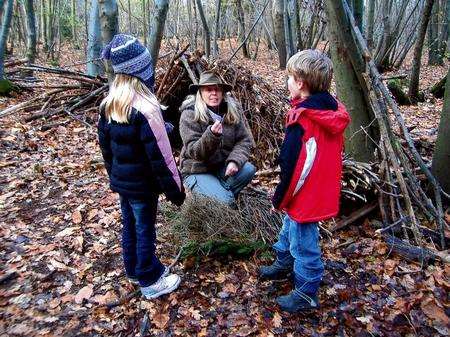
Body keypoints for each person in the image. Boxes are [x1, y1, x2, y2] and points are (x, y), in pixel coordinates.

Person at [259, 49, 350, 313]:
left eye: (289, 77)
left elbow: (294, 167)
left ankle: (306, 292)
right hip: (319, 189)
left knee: (304, 242)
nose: (286, 81)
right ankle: (284, 262)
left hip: (306, 193)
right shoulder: (331, 110)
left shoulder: (303, 120)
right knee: (289, 228)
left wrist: (280, 197)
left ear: (300, 83)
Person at [97, 34, 185, 299]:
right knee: (145, 227)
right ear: (142, 72)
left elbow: (107, 149)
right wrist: (176, 190)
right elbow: (162, 157)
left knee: (129, 225)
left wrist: (115, 177)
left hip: (124, 184)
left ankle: (133, 269)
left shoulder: (109, 105)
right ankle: (149, 278)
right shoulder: (147, 108)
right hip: (144, 187)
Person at [179, 71, 256, 205]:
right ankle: (220, 199)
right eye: (208, 89)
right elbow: (194, 152)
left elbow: (244, 140)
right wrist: (212, 136)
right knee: (226, 201)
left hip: (221, 167)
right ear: (200, 93)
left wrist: (234, 161)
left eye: (217, 90)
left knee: (248, 169)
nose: (214, 93)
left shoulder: (230, 111)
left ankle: (217, 196)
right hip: (197, 170)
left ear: (222, 93)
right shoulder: (189, 114)